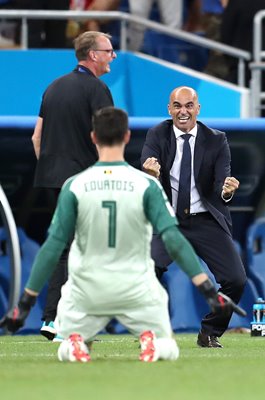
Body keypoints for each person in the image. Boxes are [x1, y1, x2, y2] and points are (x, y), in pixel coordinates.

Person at [0, 107, 245, 362]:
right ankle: (149, 336)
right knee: (168, 349)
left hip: (87, 289)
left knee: (66, 345)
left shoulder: (75, 185)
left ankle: (76, 339)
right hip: (135, 289)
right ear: (127, 137)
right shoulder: (145, 185)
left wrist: (26, 302)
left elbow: (52, 247)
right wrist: (207, 290)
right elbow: (174, 239)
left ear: (93, 137)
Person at [141, 86, 247, 348]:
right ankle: (151, 331)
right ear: (169, 109)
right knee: (145, 271)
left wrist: (226, 191)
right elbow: (146, 170)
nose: (183, 111)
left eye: (189, 105)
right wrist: (150, 174)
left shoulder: (216, 139)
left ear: (198, 109)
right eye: (177, 106)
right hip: (168, 220)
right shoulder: (157, 133)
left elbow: (222, 182)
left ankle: (209, 332)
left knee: (235, 280)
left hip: (206, 220)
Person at [32, 30, 116, 341]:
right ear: (93, 55)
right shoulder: (98, 89)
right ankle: (71, 318)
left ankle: (54, 319)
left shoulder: (52, 87)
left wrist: (56, 171)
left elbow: (36, 138)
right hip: (88, 182)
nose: (114, 55)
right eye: (109, 50)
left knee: (67, 249)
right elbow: (107, 141)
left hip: (54, 180)